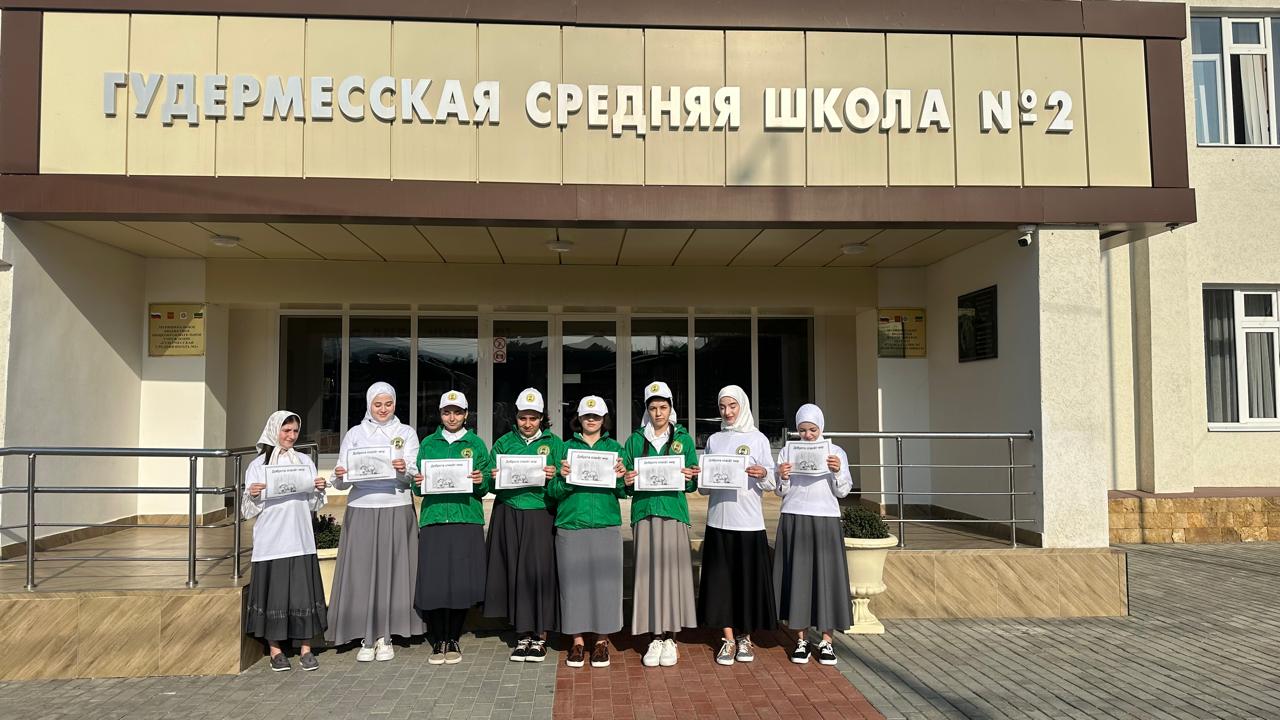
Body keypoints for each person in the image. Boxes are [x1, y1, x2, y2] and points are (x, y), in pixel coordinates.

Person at [326, 382, 425, 660]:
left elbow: (415, 472)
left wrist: (404, 469)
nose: (383, 409)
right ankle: (365, 635)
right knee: (362, 571)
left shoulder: (406, 433)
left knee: (394, 570)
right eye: (377, 404)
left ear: (395, 404)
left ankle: (386, 636)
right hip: (361, 508)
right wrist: (340, 474)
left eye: (388, 404)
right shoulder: (355, 434)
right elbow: (341, 480)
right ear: (369, 404)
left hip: (396, 506)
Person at [697, 384, 778, 666]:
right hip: (718, 521)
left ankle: (745, 637)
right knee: (722, 584)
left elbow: (772, 482)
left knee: (746, 583)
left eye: (732, 406)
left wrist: (763, 473)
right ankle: (728, 638)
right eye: (722, 407)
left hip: (748, 523)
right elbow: (704, 489)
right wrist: (702, 475)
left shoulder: (758, 439)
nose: (727, 412)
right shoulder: (714, 440)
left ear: (742, 406)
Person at [621, 381, 699, 668]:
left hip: (673, 512)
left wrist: (690, 476)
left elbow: (691, 483)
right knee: (648, 574)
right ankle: (654, 636)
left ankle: (671, 637)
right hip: (645, 513)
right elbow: (624, 482)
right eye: (653, 408)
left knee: (673, 574)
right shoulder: (634, 440)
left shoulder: (683, 439)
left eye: (663, 407)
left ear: (670, 408)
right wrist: (626, 480)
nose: (658, 413)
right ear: (647, 410)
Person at [242, 411, 329, 672]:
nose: (291, 436)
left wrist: (319, 489)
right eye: (286, 430)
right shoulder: (258, 465)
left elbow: (314, 503)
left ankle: (306, 648)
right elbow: (247, 508)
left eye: (295, 431)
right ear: (274, 431)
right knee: (275, 596)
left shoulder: (304, 461)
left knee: (302, 595)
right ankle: (275, 650)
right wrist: (253, 494)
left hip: (300, 537)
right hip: (271, 540)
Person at [413, 390, 492, 665]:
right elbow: (417, 485)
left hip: (465, 517)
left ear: (466, 415)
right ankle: (438, 640)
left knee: (460, 582)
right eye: (447, 412)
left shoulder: (476, 444)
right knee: (435, 581)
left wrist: (481, 480)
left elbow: (486, 485)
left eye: (457, 412)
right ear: (440, 414)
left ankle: (454, 637)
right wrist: (418, 481)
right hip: (435, 518)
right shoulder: (428, 443)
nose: (452, 417)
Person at [485, 388, 564, 662]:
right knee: (515, 573)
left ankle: (541, 635)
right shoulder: (504, 443)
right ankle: (522, 634)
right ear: (515, 417)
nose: (528, 423)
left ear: (542, 418)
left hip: (540, 513)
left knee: (539, 573)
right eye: (522, 418)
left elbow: (564, 484)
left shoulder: (555, 444)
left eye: (533, 418)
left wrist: (556, 476)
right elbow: (488, 483)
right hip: (509, 512)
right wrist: (493, 477)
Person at [548, 395, 627, 669]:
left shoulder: (615, 448)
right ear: (578, 418)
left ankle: (602, 640)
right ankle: (578, 641)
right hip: (572, 524)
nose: (591, 420)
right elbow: (552, 491)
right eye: (586, 416)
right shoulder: (565, 448)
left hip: (605, 523)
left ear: (604, 419)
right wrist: (564, 477)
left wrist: (621, 477)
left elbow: (623, 491)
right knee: (573, 585)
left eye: (596, 416)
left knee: (606, 585)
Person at [775, 403, 853, 666]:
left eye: (812, 430)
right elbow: (780, 491)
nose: (807, 435)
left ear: (821, 427)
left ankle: (827, 642)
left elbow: (843, 491)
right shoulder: (787, 451)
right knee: (798, 579)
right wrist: (783, 477)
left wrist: (837, 471)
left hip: (825, 518)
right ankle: (801, 639)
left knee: (826, 578)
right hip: (794, 516)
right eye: (802, 430)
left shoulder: (835, 451)